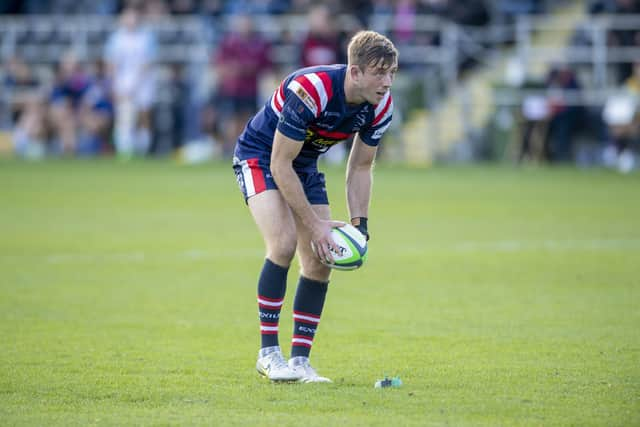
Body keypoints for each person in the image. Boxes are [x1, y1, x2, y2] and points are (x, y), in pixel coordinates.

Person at [232, 30, 398, 383]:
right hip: (261, 158)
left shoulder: (381, 104)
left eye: (391, 73)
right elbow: (279, 164)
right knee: (283, 243)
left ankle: (299, 363)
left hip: (303, 166)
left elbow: (361, 167)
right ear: (354, 72)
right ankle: (268, 355)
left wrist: (360, 225)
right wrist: (315, 224)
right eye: (379, 72)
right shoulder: (312, 89)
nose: (387, 82)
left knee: (321, 259)